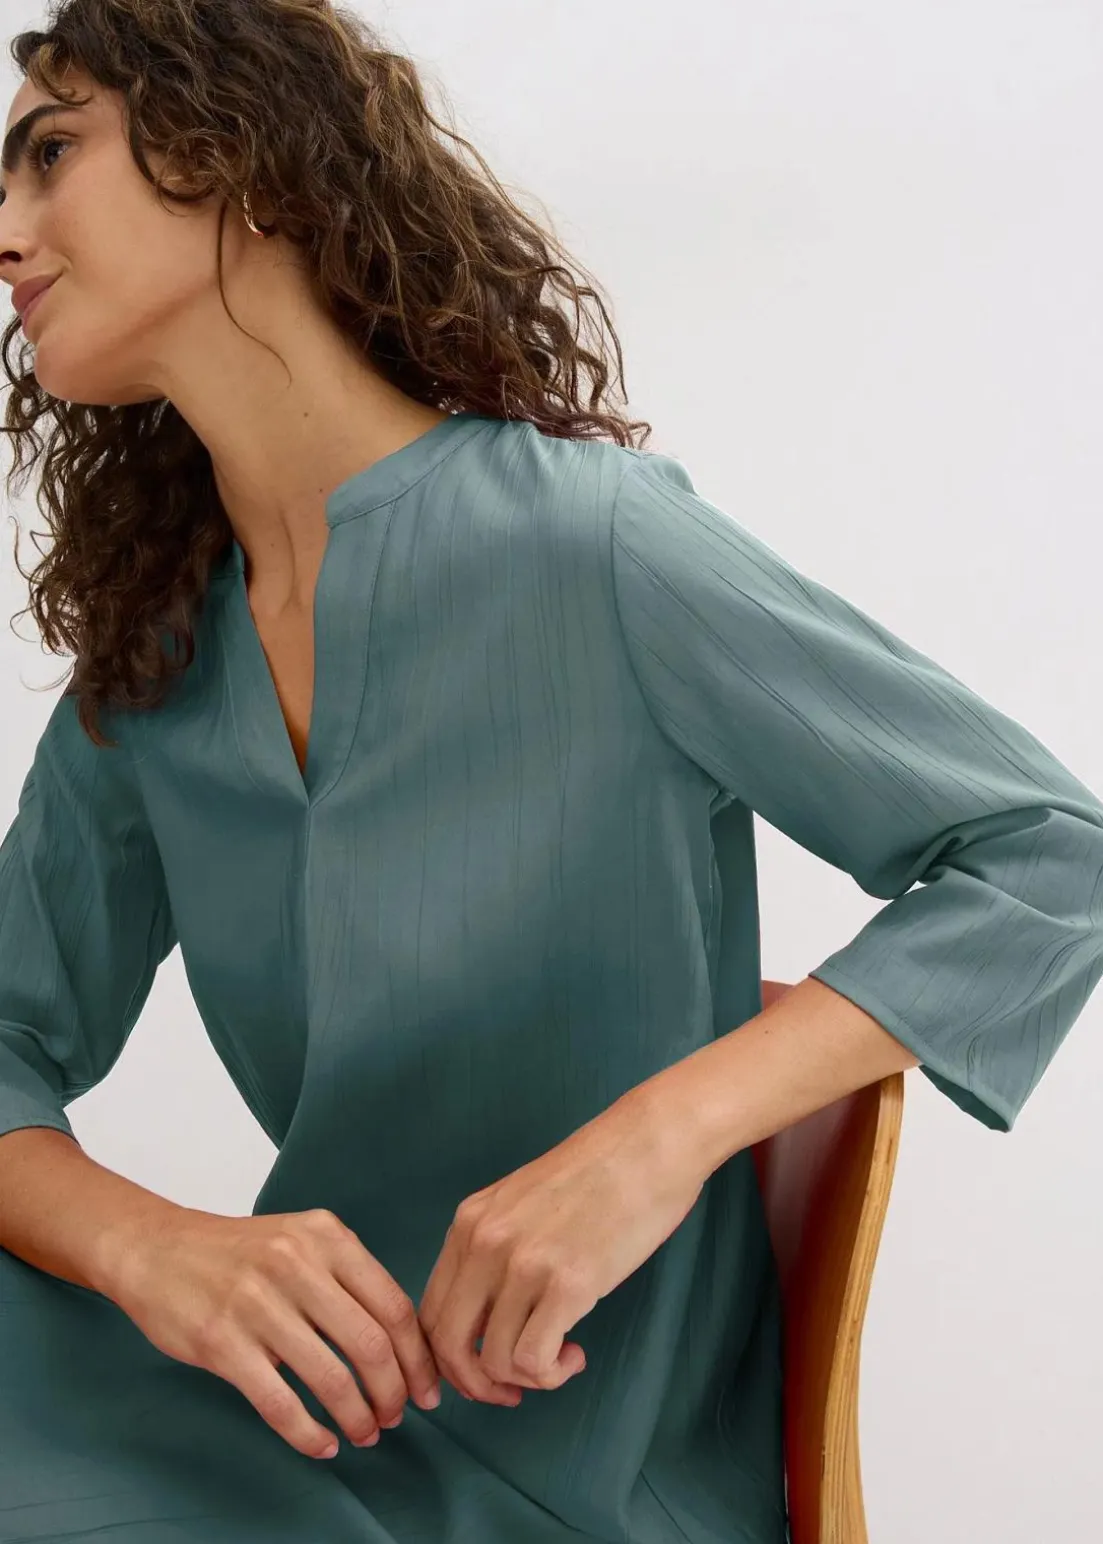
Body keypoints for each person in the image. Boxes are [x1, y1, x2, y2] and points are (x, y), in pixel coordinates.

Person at [1, 4, 1102, 1542]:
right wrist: (146, 1247)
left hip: (577, 1471)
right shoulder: (161, 666)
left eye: (51, 153)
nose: (8, 229)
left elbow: (1050, 853)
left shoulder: (589, 547)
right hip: (294, 1420)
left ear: (230, 151)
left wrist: (659, 1138)